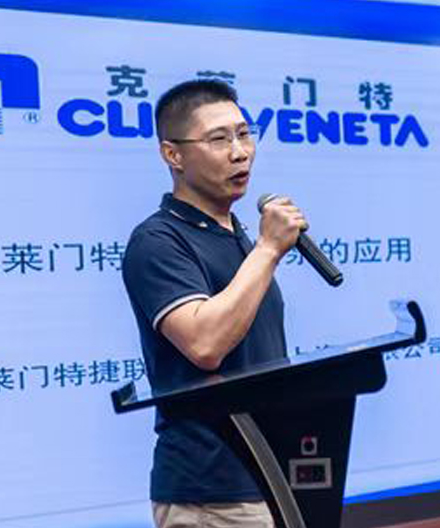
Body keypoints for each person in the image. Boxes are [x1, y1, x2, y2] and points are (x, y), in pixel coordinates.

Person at [122, 79, 307, 528]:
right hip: (211, 491)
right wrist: (268, 250)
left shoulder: (236, 233)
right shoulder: (158, 241)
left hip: (270, 475)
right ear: (173, 155)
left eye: (244, 134)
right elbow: (205, 345)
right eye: (219, 139)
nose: (240, 152)